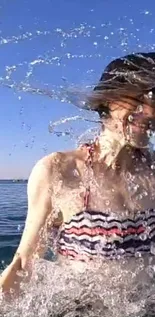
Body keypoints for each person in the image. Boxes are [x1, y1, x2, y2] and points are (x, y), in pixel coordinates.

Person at [1, 51, 155, 296]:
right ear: (107, 98)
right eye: (141, 97)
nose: (149, 111)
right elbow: (24, 264)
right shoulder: (58, 170)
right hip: (79, 311)